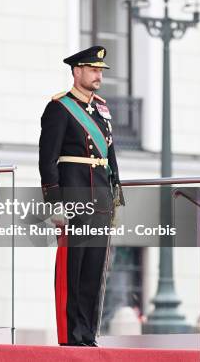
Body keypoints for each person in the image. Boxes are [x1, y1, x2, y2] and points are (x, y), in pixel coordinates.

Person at [38, 46, 123, 347]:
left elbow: (110, 156)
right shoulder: (59, 108)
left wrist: (116, 195)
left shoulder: (101, 109)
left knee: (94, 271)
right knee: (72, 269)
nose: (99, 75)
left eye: (101, 71)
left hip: (100, 199)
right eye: (93, 69)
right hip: (74, 200)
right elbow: (47, 159)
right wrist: (54, 202)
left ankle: (87, 334)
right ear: (77, 71)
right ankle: (71, 336)